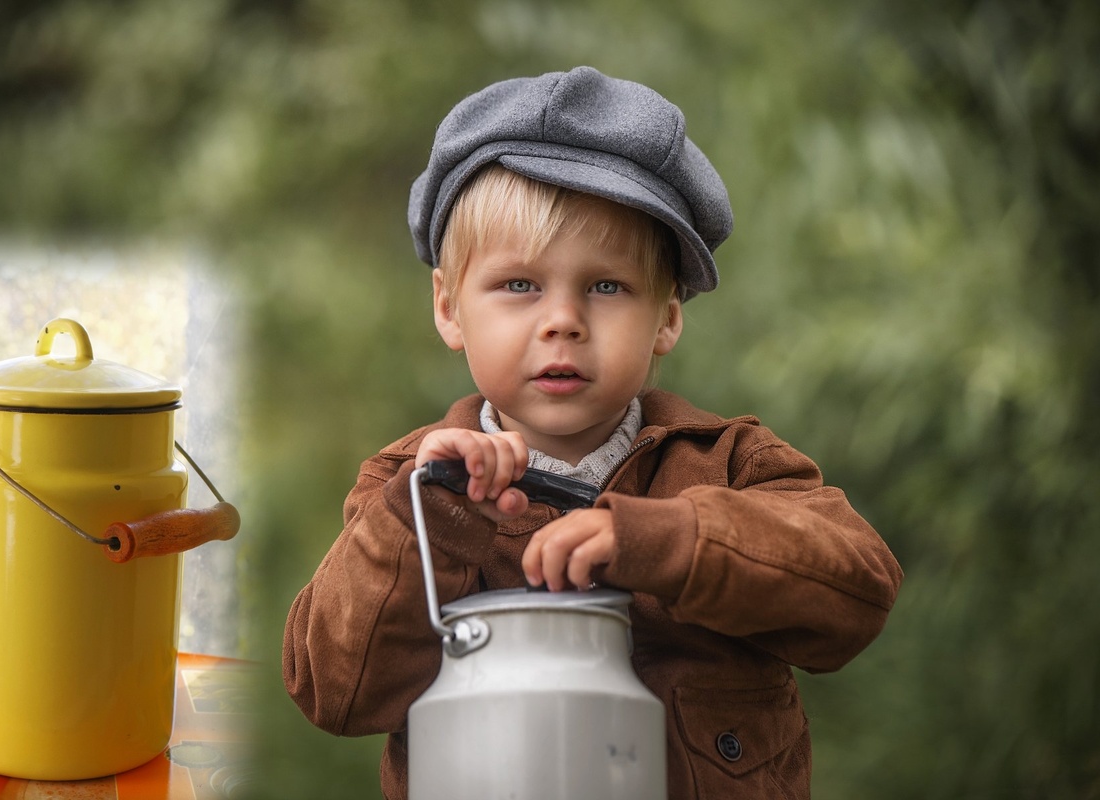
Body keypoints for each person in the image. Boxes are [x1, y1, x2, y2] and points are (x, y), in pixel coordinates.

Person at [283, 66, 903, 799]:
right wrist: (433, 521)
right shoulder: (410, 488)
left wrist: (661, 542)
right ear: (449, 308)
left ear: (665, 317)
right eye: (519, 285)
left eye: (607, 286)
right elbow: (333, 690)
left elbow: (856, 593)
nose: (563, 320)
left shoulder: (732, 465)